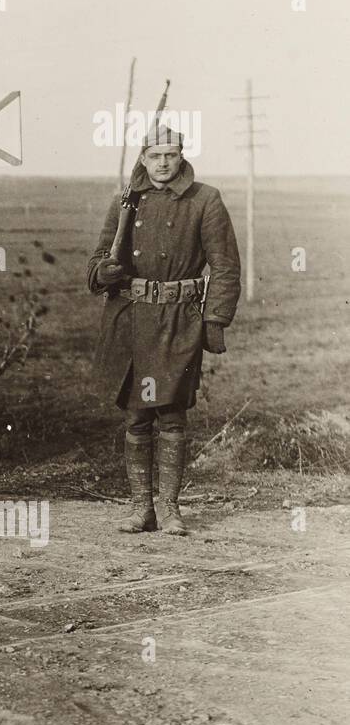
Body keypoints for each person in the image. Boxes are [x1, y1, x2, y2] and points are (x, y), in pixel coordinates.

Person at [88, 124, 241, 537]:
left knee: (171, 414)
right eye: (154, 156)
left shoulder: (205, 200)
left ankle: (171, 509)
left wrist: (215, 320)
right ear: (143, 158)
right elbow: (98, 260)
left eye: (170, 155)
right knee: (136, 415)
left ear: (181, 156)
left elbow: (225, 266)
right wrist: (104, 270)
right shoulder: (125, 201)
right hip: (131, 319)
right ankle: (142, 510)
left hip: (178, 321)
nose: (162, 163)